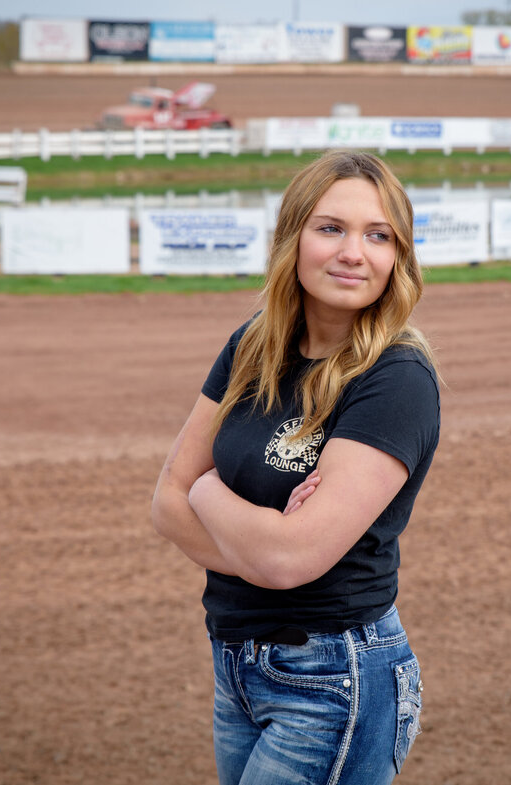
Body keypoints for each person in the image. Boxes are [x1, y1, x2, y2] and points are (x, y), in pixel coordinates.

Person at [151, 149, 440, 785]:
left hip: (335, 680)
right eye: (330, 228)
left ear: (399, 257)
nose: (352, 252)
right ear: (294, 237)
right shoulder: (252, 345)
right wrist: (264, 548)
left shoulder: (396, 379)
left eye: (378, 235)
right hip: (236, 668)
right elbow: (164, 504)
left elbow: (283, 557)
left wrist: (206, 489)